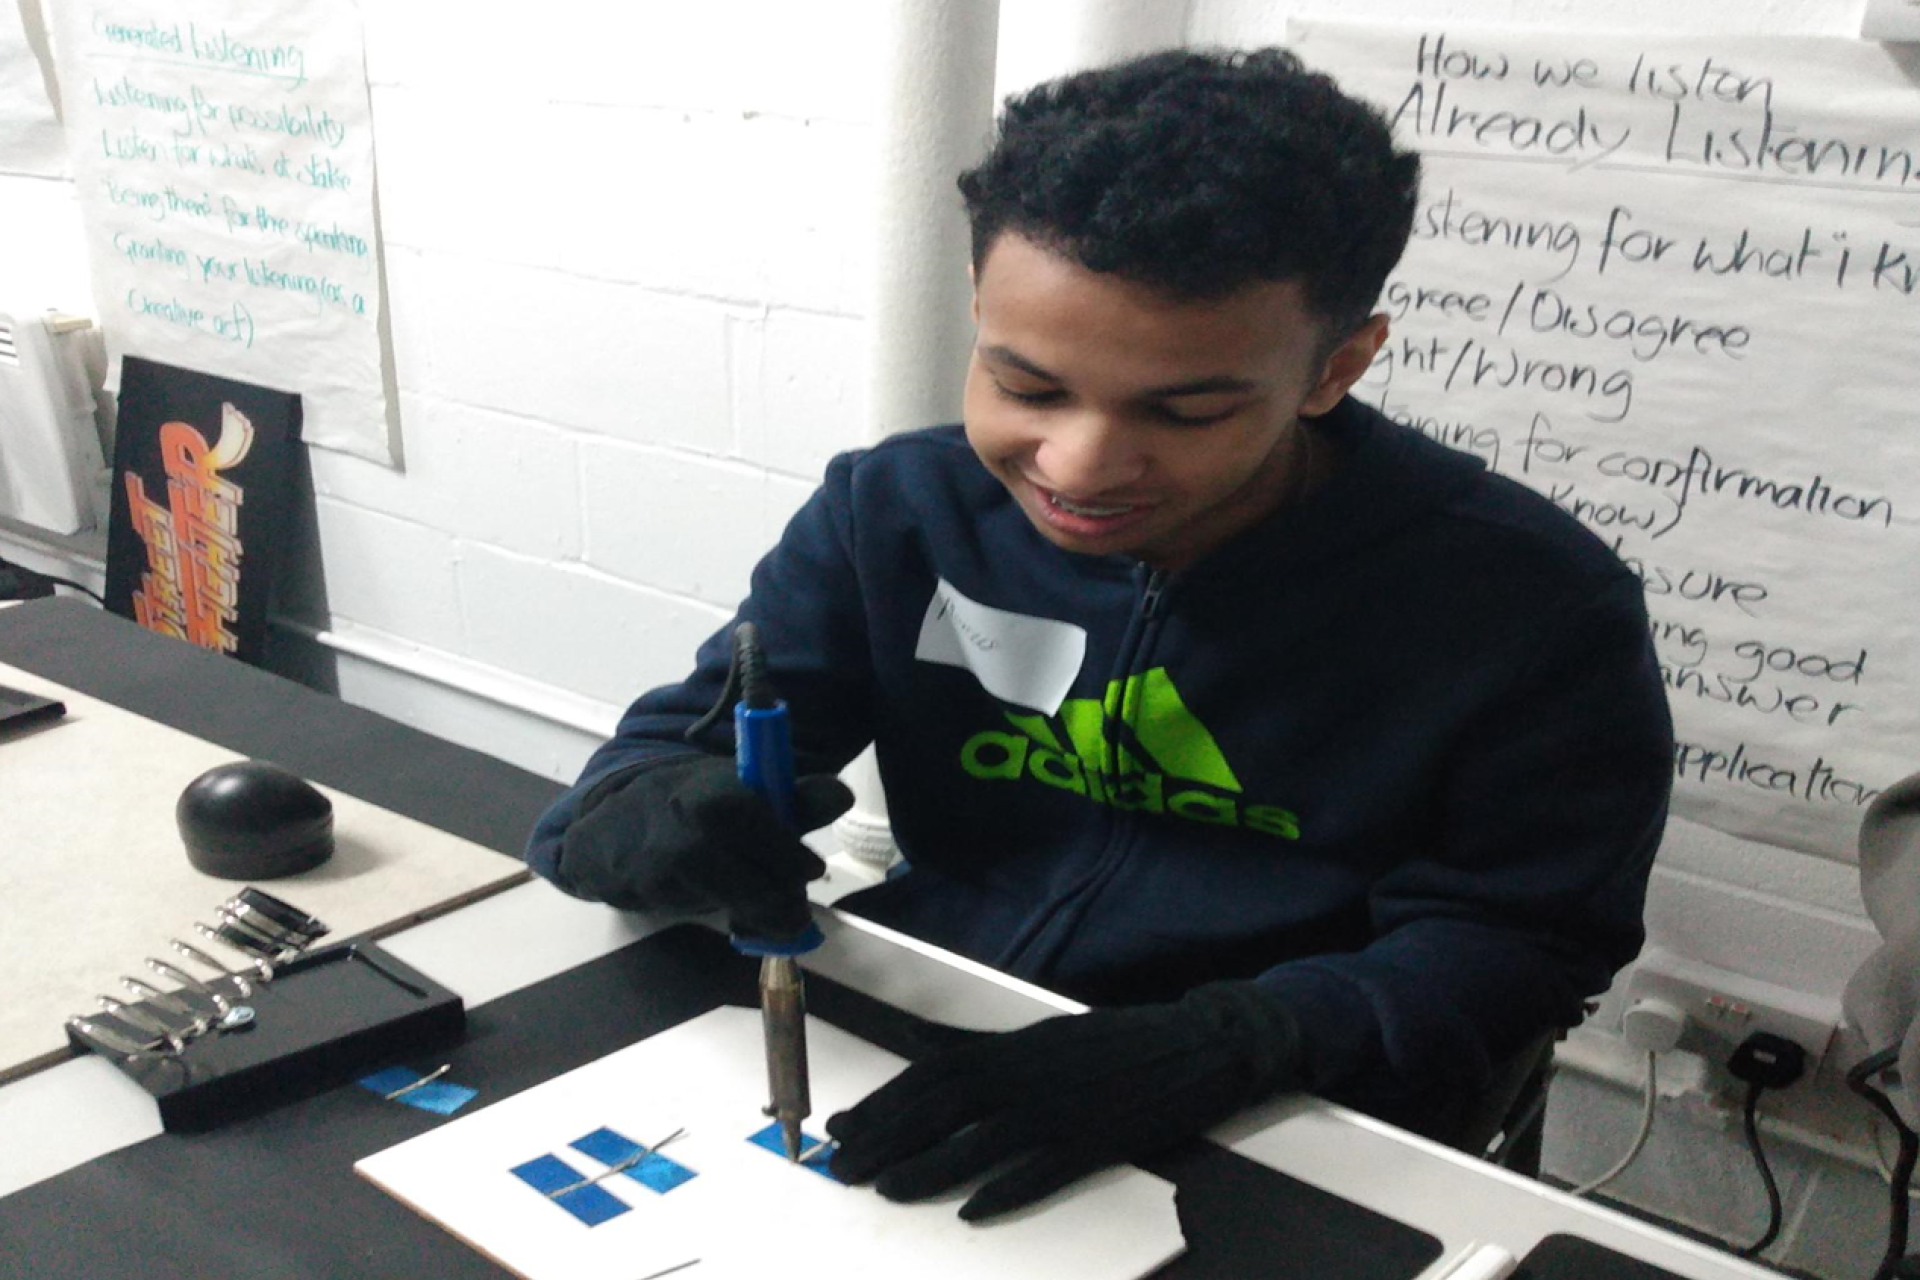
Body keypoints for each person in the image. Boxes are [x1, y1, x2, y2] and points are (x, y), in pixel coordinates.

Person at [525, 47, 1674, 1222]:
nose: (1076, 466)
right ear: (978, 307)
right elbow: (673, 746)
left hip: (1296, 1103)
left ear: (1335, 367)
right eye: (1026, 385)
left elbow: (1523, 939)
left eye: (1186, 411)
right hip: (934, 1023)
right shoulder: (896, 511)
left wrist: (1243, 1036)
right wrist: (650, 808)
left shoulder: (1529, 603)